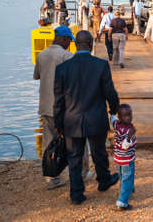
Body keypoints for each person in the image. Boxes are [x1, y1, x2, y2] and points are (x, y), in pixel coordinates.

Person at [54, 30, 120, 205]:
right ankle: (104, 181)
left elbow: (58, 100)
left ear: (76, 45)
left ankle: (76, 194)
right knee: (99, 152)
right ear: (91, 45)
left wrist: (58, 122)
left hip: (71, 120)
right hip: (96, 118)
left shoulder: (62, 69)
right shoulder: (101, 65)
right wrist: (114, 111)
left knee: (74, 157)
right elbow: (110, 93)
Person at [33, 26, 91, 190]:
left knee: (49, 142)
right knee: (78, 140)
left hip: (45, 106)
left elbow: (37, 75)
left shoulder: (41, 55)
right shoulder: (67, 56)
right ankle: (82, 173)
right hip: (65, 108)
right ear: (64, 39)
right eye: (69, 41)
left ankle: (52, 178)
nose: (70, 44)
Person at [111, 104, 137, 211]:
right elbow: (124, 146)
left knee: (123, 177)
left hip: (118, 159)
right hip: (127, 160)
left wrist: (112, 114)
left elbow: (112, 119)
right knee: (128, 178)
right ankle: (122, 202)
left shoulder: (117, 124)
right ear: (121, 117)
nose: (129, 117)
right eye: (126, 116)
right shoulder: (129, 131)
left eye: (130, 114)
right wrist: (130, 136)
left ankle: (127, 190)